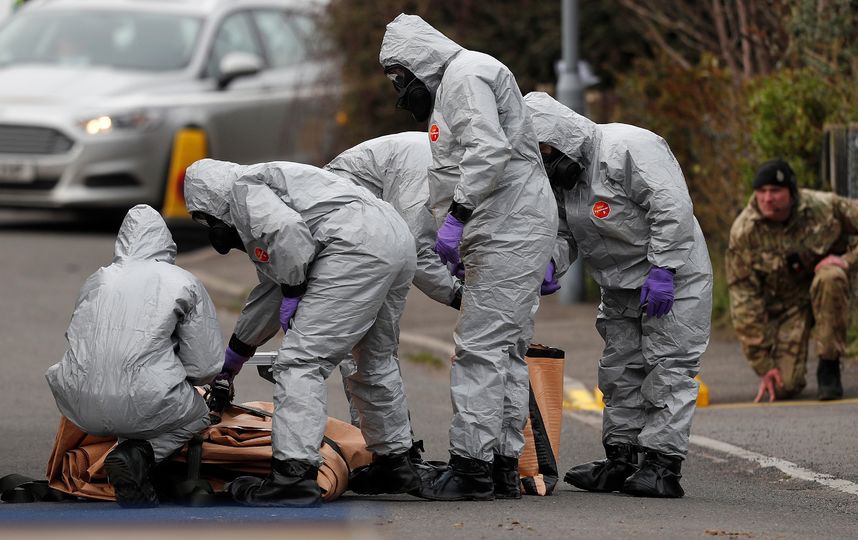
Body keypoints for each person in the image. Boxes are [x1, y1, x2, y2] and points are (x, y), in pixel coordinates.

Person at [379, 14, 559, 501]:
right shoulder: (461, 81)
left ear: (417, 61)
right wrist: (461, 231)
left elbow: (486, 148)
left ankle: (471, 469)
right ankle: (501, 464)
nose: (400, 91)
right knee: (504, 349)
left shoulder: (464, 75)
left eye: (400, 77)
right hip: (505, 225)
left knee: (480, 348)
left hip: (507, 226)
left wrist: (458, 216)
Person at [183, 158, 420, 506]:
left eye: (212, 221)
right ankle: (394, 461)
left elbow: (289, 237)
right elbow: (270, 291)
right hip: (393, 238)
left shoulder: (243, 190)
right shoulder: (274, 183)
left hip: (354, 246)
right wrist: (231, 363)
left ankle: (294, 475)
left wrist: (295, 291)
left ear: (211, 203)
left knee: (300, 363)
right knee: (372, 359)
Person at [524, 91, 713, 498]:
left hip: (673, 275)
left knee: (669, 367)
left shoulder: (628, 147)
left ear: (560, 134)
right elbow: (561, 232)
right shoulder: (564, 180)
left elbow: (672, 207)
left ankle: (662, 466)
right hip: (619, 282)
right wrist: (550, 263)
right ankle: (621, 459)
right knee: (619, 371)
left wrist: (664, 267)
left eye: (545, 148)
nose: (544, 159)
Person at [45, 204, 224, 508]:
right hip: (144, 400)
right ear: (166, 242)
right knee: (194, 415)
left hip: (78, 403)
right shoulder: (182, 281)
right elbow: (204, 367)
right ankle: (137, 455)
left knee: (132, 403)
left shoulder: (96, 280)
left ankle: (130, 469)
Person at [323, 131, 461, 469]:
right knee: (368, 349)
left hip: (370, 233)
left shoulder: (449, 161)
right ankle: (385, 454)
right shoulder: (427, 168)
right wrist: (456, 292)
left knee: (374, 349)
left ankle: (389, 450)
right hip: (352, 234)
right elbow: (417, 244)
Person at [726, 159, 858, 402]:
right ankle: (785, 368)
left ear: (791, 192)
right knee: (783, 387)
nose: (768, 198)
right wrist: (763, 365)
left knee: (831, 276)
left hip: (826, 289)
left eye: (775, 191)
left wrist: (848, 260)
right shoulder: (744, 232)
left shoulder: (824, 207)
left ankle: (829, 366)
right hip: (786, 308)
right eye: (762, 191)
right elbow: (744, 301)